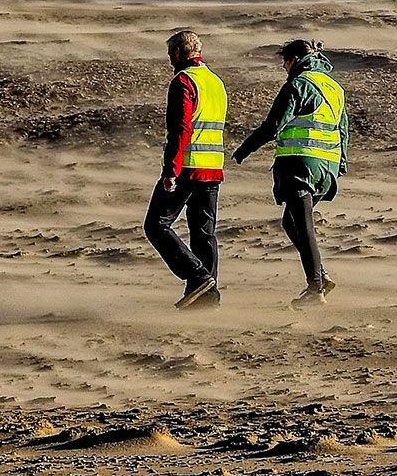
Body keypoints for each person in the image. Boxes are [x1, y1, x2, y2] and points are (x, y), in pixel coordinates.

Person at [238, 37, 349, 306]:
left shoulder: (298, 84)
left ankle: (315, 289)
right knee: (292, 221)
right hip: (327, 168)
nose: (285, 68)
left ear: (294, 60)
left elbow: (273, 125)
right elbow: (343, 130)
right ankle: (320, 275)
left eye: (285, 63)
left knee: (303, 224)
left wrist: (244, 150)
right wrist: (340, 164)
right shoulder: (334, 87)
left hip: (301, 165)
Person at [144, 29, 225, 309]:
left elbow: (181, 129)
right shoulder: (215, 81)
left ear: (178, 53)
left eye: (170, 55)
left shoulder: (183, 81)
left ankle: (198, 276)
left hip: (188, 168)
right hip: (213, 167)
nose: (169, 61)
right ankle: (207, 294)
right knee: (204, 232)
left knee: (156, 225)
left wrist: (170, 170)